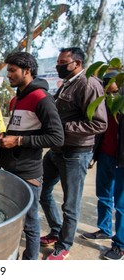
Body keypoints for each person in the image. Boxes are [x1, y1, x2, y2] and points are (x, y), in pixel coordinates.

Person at [39, 47, 108, 260]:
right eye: (58, 62)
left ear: (76, 63)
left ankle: (64, 245)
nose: (58, 66)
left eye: (62, 62)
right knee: (42, 189)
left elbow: (99, 123)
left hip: (76, 153)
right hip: (57, 149)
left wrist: (63, 129)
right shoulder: (69, 83)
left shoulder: (88, 84)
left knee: (70, 203)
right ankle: (56, 230)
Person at [0, 52, 64, 260]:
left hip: (28, 172)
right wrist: (7, 137)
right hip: (11, 169)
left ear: (27, 71)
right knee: (13, 219)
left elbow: (56, 138)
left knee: (30, 222)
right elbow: (24, 129)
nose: (8, 75)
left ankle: (31, 261)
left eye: (12, 70)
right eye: (7, 70)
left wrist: (17, 141)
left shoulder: (41, 98)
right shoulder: (17, 98)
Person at [80, 71, 124, 260]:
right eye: (104, 81)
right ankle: (104, 229)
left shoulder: (121, 104)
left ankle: (120, 245)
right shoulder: (103, 103)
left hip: (122, 159)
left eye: (110, 81)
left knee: (121, 203)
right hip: (105, 155)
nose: (106, 84)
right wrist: (94, 154)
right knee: (104, 195)